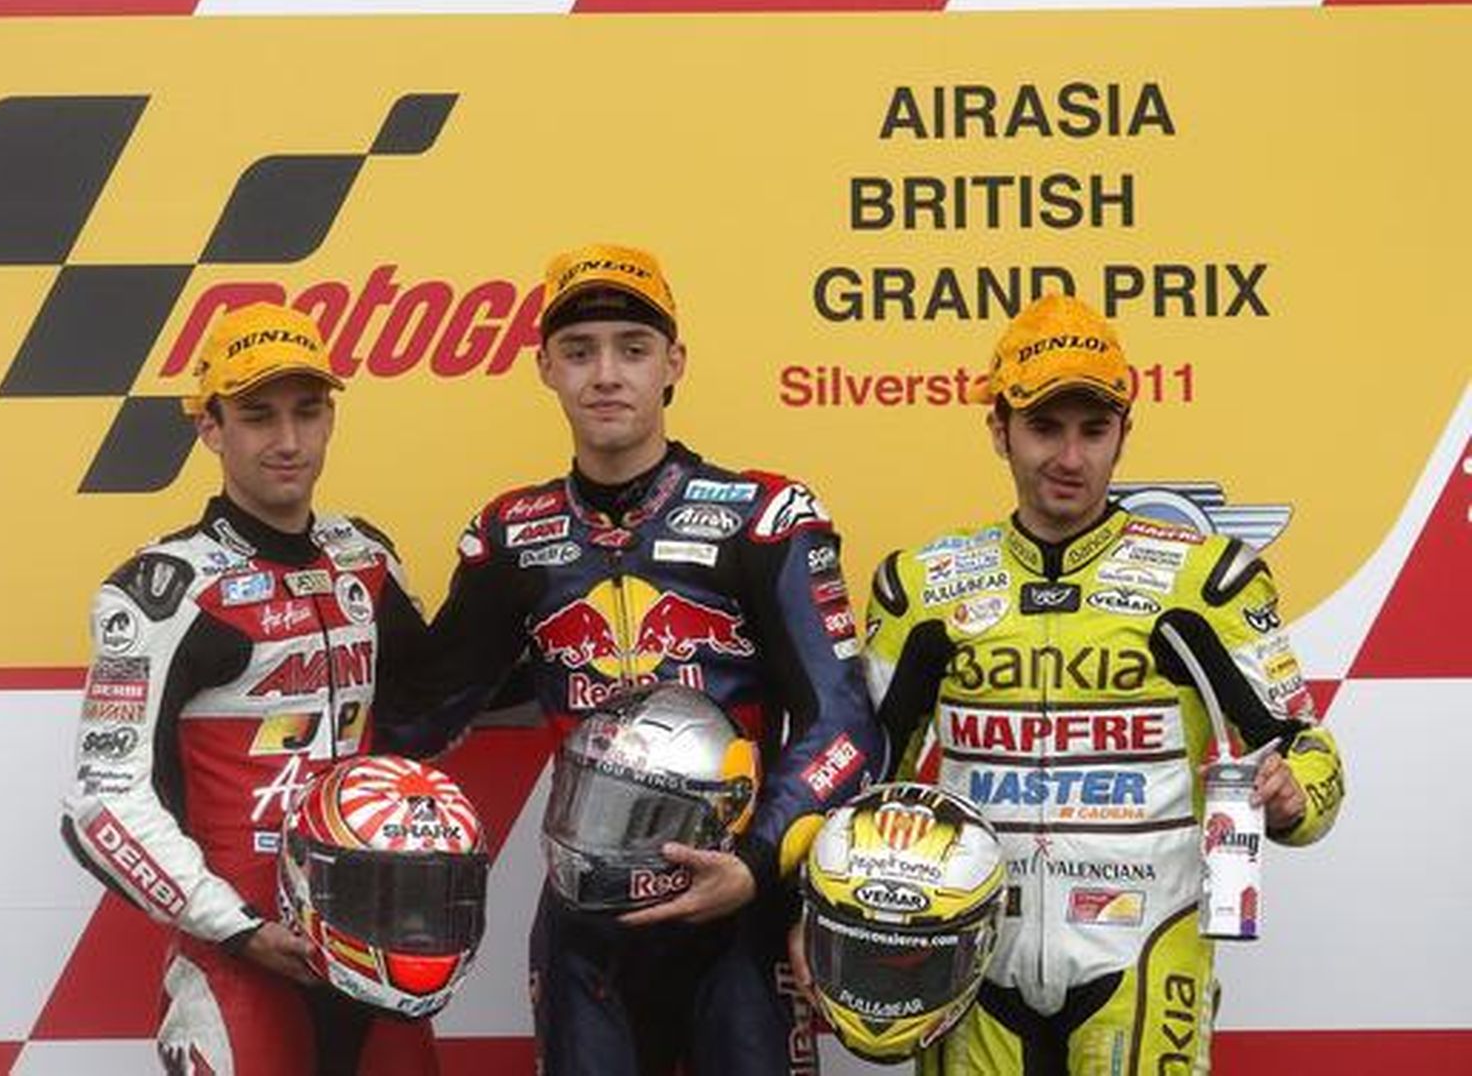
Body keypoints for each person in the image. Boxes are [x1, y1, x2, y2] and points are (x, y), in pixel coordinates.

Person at [392, 243, 886, 1075]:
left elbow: (845, 726)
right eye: (580, 353)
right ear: (546, 367)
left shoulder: (764, 518)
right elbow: (416, 716)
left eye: (633, 348)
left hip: (736, 913)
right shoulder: (512, 535)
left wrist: (758, 862)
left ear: (673, 364)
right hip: (587, 926)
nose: (607, 375)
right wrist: (356, 592)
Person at [856, 293, 1345, 1074]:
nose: (1070, 458)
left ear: (1125, 433)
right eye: (1045, 428)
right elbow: (862, 770)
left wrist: (1291, 796)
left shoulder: (1206, 582)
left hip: (1149, 943)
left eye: (1094, 430)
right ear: (998, 430)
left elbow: (1309, 751)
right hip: (969, 947)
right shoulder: (923, 588)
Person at [60, 302, 440, 1076]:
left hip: (378, 955)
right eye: (259, 417)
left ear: (332, 418)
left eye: (308, 412)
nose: (289, 441)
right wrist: (235, 928)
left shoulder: (367, 559)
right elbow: (102, 801)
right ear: (211, 429)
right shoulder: (162, 592)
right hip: (242, 958)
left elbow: (437, 703)